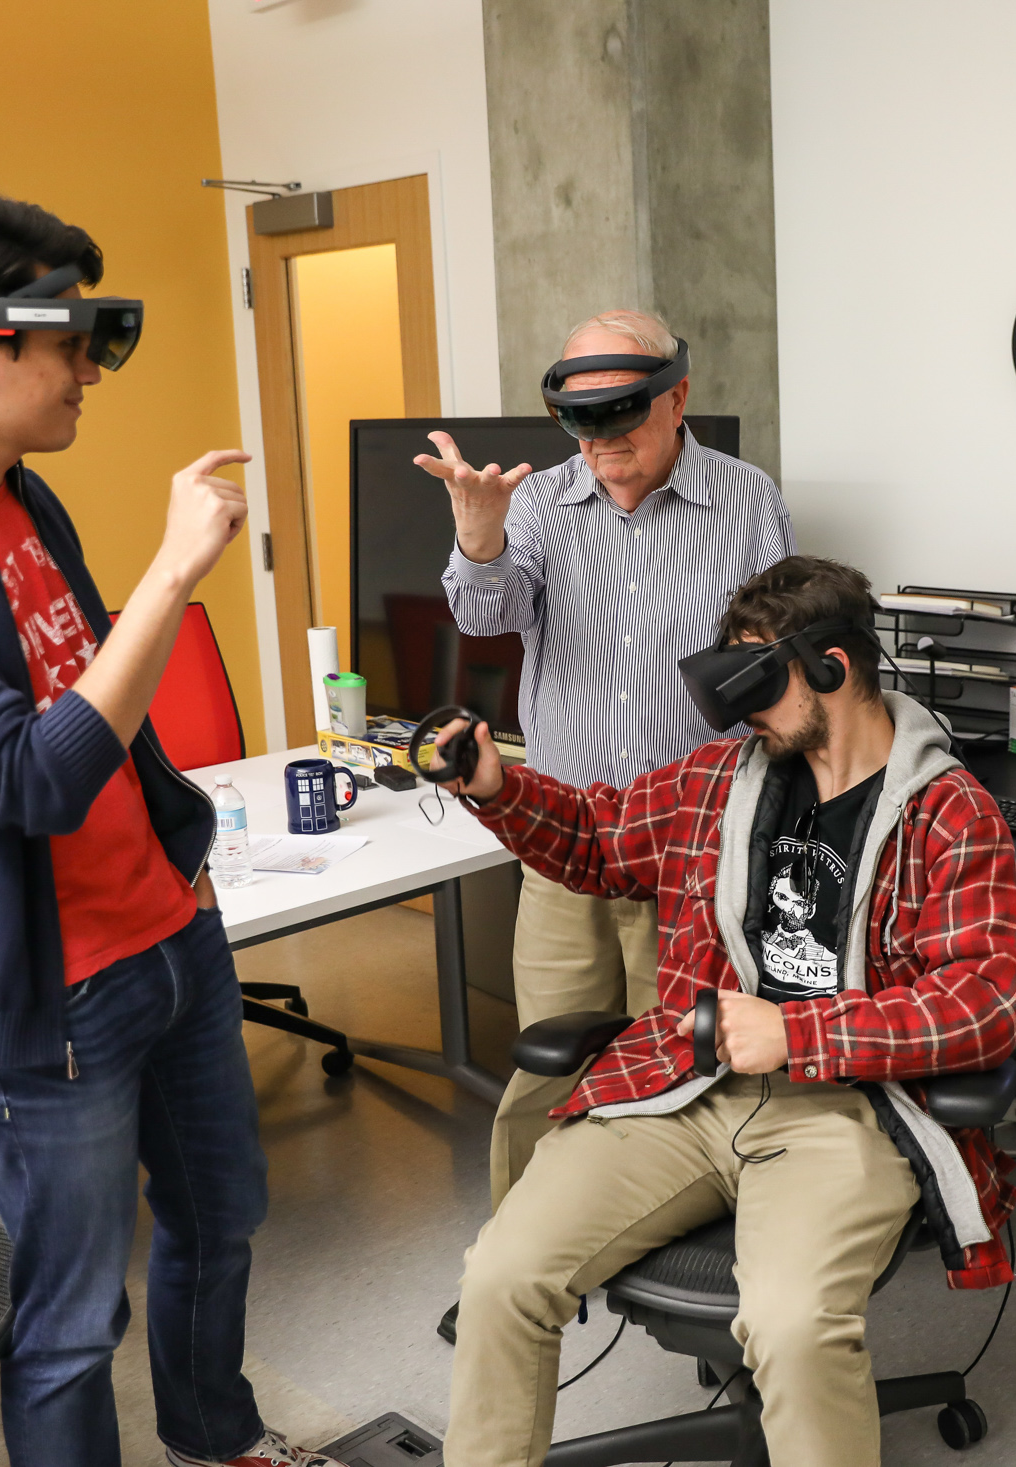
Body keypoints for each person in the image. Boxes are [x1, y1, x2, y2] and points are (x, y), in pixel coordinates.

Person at [0, 185, 341, 1467]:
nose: (91, 369)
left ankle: (217, 1437)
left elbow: (105, 705)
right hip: (45, 1004)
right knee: (74, 1321)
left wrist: (184, 857)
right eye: (72, 340)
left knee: (220, 1219)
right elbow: (30, 779)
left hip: (170, 936)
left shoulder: (25, 495)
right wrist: (174, 571)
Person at [433, 555, 1016, 1467]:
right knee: (502, 1277)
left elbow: (981, 1003)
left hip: (845, 1108)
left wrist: (799, 1032)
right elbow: (597, 838)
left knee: (791, 1324)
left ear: (832, 666)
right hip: (685, 1088)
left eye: (761, 681)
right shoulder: (721, 778)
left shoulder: (949, 812)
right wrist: (498, 787)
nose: (743, 711)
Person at [418, 309, 795, 1211]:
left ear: (678, 399)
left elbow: (776, 669)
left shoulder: (748, 501)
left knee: (692, 1071)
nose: (599, 443)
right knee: (549, 1067)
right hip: (566, 844)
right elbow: (483, 615)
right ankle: (517, 1264)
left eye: (620, 416)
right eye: (579, 422)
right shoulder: (539, 503)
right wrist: (479, 538)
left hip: (698, 852)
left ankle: (684, 1247)